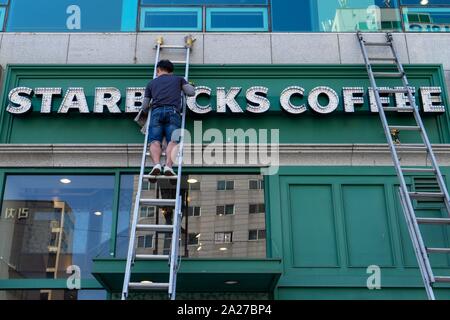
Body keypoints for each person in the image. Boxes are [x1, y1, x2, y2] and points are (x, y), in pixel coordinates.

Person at [142, 59, 195, 177]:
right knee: (173, 141)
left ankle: (156, 164)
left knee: (154, 141)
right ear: (171, 70)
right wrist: (190, 84)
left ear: (158, 69)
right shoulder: (178, 79)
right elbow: (191, 92)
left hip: (156, 112)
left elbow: (144, 106)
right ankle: (168, 167)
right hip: (173, 112)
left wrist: (149, 107)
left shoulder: (151, 83)